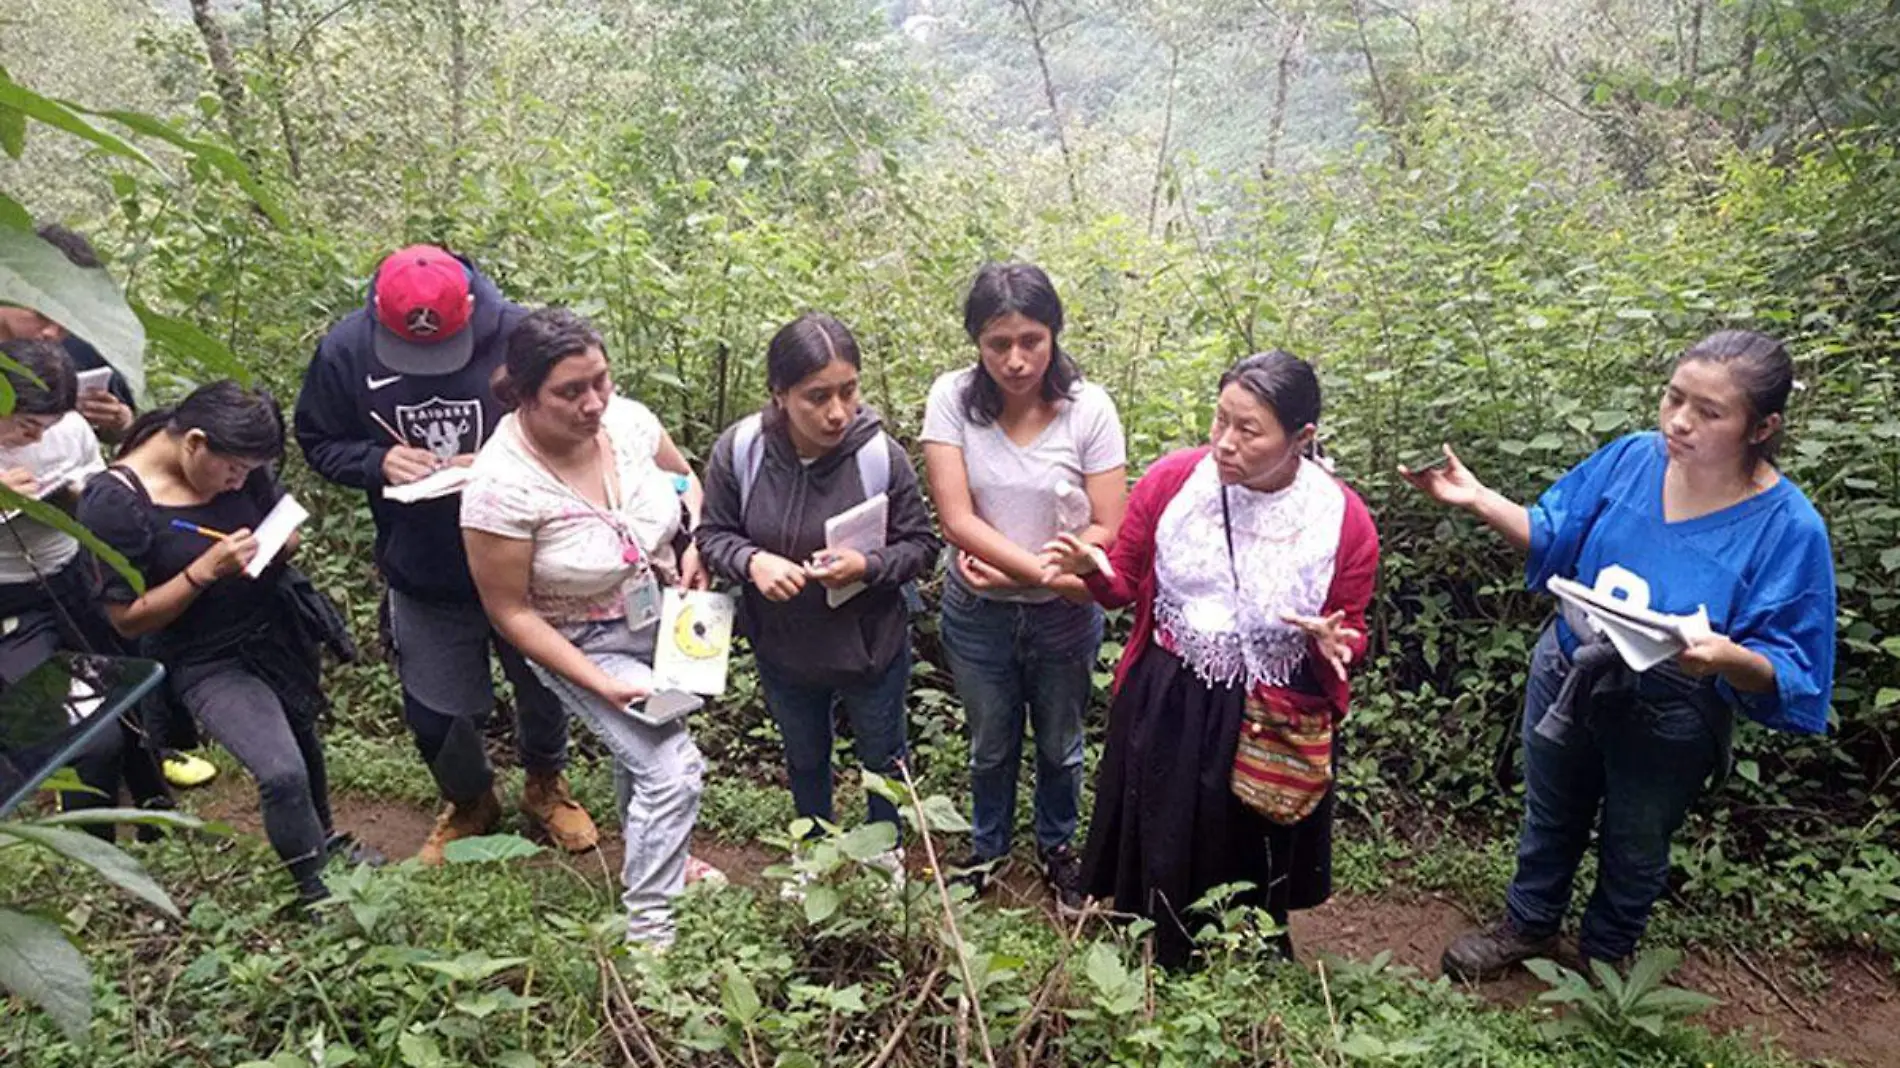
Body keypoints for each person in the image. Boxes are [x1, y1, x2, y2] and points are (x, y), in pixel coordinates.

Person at [1401, 330, 1836, 978]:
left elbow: (1794, 664)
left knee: (1636, 843)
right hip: (1570, 667)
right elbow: (1555, 531)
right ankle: (1528, 925)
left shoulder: (1787, 526)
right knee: (1550, 814)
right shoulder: (1633, 458)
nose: (1680, 422)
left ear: (1762, 426)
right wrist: (1479, 499)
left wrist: (1725, 657)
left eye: (1709, 412)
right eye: (1674, 398)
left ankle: (1608, 958)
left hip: (1673, 704)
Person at [1044, 350, 1378, 967]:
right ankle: (1156, 943)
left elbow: (1350, 627)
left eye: (1248, 430)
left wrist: (1338, 645)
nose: (1224, 443)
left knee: (1248, 831)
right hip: (1169, 692)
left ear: (1302, 437)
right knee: (1163, 827)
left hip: (1266, 708)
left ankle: (1242, 952)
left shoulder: (1341, 519)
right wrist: (1093, 570)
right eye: (1219, 419)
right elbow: (1125, 585)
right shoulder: (1175, 482)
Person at [296, 245, 597, 864]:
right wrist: (375, 461)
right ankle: (470, 799)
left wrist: (496, 463)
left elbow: (583, 431)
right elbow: (319, 439)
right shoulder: (347, 351)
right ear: (378, 313)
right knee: (434, 709)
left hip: (527, 559)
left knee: (543, 684)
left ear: (469, 307)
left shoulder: (521, 337)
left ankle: (545, 785)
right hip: (424, 562)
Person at [461, 307, 715, 948]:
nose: (594, 403)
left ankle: (659, 855)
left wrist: (693, 545)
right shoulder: (500, 485)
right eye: (570, 391)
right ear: (523, 394)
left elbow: (685, 478)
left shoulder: (629, 422)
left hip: (658, 613)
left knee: (651, 740)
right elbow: (509, 609)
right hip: (579, 640)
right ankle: (650, 927)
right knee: (672, 768)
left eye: (601, 380)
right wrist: (599, 684)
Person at [79, 382, 374, 905]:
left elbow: (283, 518)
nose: (239, 482)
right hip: (204, 657)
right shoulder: (115, 502)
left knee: (302, 740)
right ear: (194, 442)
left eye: (248, 472)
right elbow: (127, 620)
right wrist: (202, 573)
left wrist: (280, 541)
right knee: (280, 771)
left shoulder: (241, 460)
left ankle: (324, 841)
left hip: (273, 630)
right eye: (233, 470)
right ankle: (315, 894)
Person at [920, 262, 1127, 911]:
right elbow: (955, 518)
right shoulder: (952, 399)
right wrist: (1041, 571)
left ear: (1055, 334)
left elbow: (1109, 525)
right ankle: (987, 849)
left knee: (1062, 744)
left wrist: (1043, 574)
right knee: (989, 740)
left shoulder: (1088, 407)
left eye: (1031, 341)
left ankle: (1058, 848)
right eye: (997, 344)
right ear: (976, 343)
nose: (1015, 360)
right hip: (978, 612)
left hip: (1064, 615)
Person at [696, 313, 939, 851]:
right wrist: (752, 561)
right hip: (783, 647)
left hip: (870, 646)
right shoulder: (741, 452)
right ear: (779, 394)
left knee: (883, 756)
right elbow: (712, 533)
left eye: (848, 392)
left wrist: (868, 567)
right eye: (817, 397)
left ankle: (883, 855)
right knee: (804, 757)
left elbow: (921, 545)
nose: (837, 413)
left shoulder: (880, 456)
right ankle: (812, 854)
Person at [13, 223, 219, 791]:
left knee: (122, 658)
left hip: (72, 547)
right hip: (14, 572)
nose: (57, 331)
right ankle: (74, 781)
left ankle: (151, 767)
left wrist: (121, 425)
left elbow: (125, 434)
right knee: (61, 702)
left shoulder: (73, 346)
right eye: (42, 316)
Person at [0, 338, 168, 834]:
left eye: (45, 429)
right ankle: (91, 845)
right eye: (25, 427)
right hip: (10, 597)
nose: (34, 441)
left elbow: (96, 485)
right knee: (79, 729)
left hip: (73, 576)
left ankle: (154, 811)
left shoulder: (69, 430)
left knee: (127, 685)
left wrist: (77, 495)